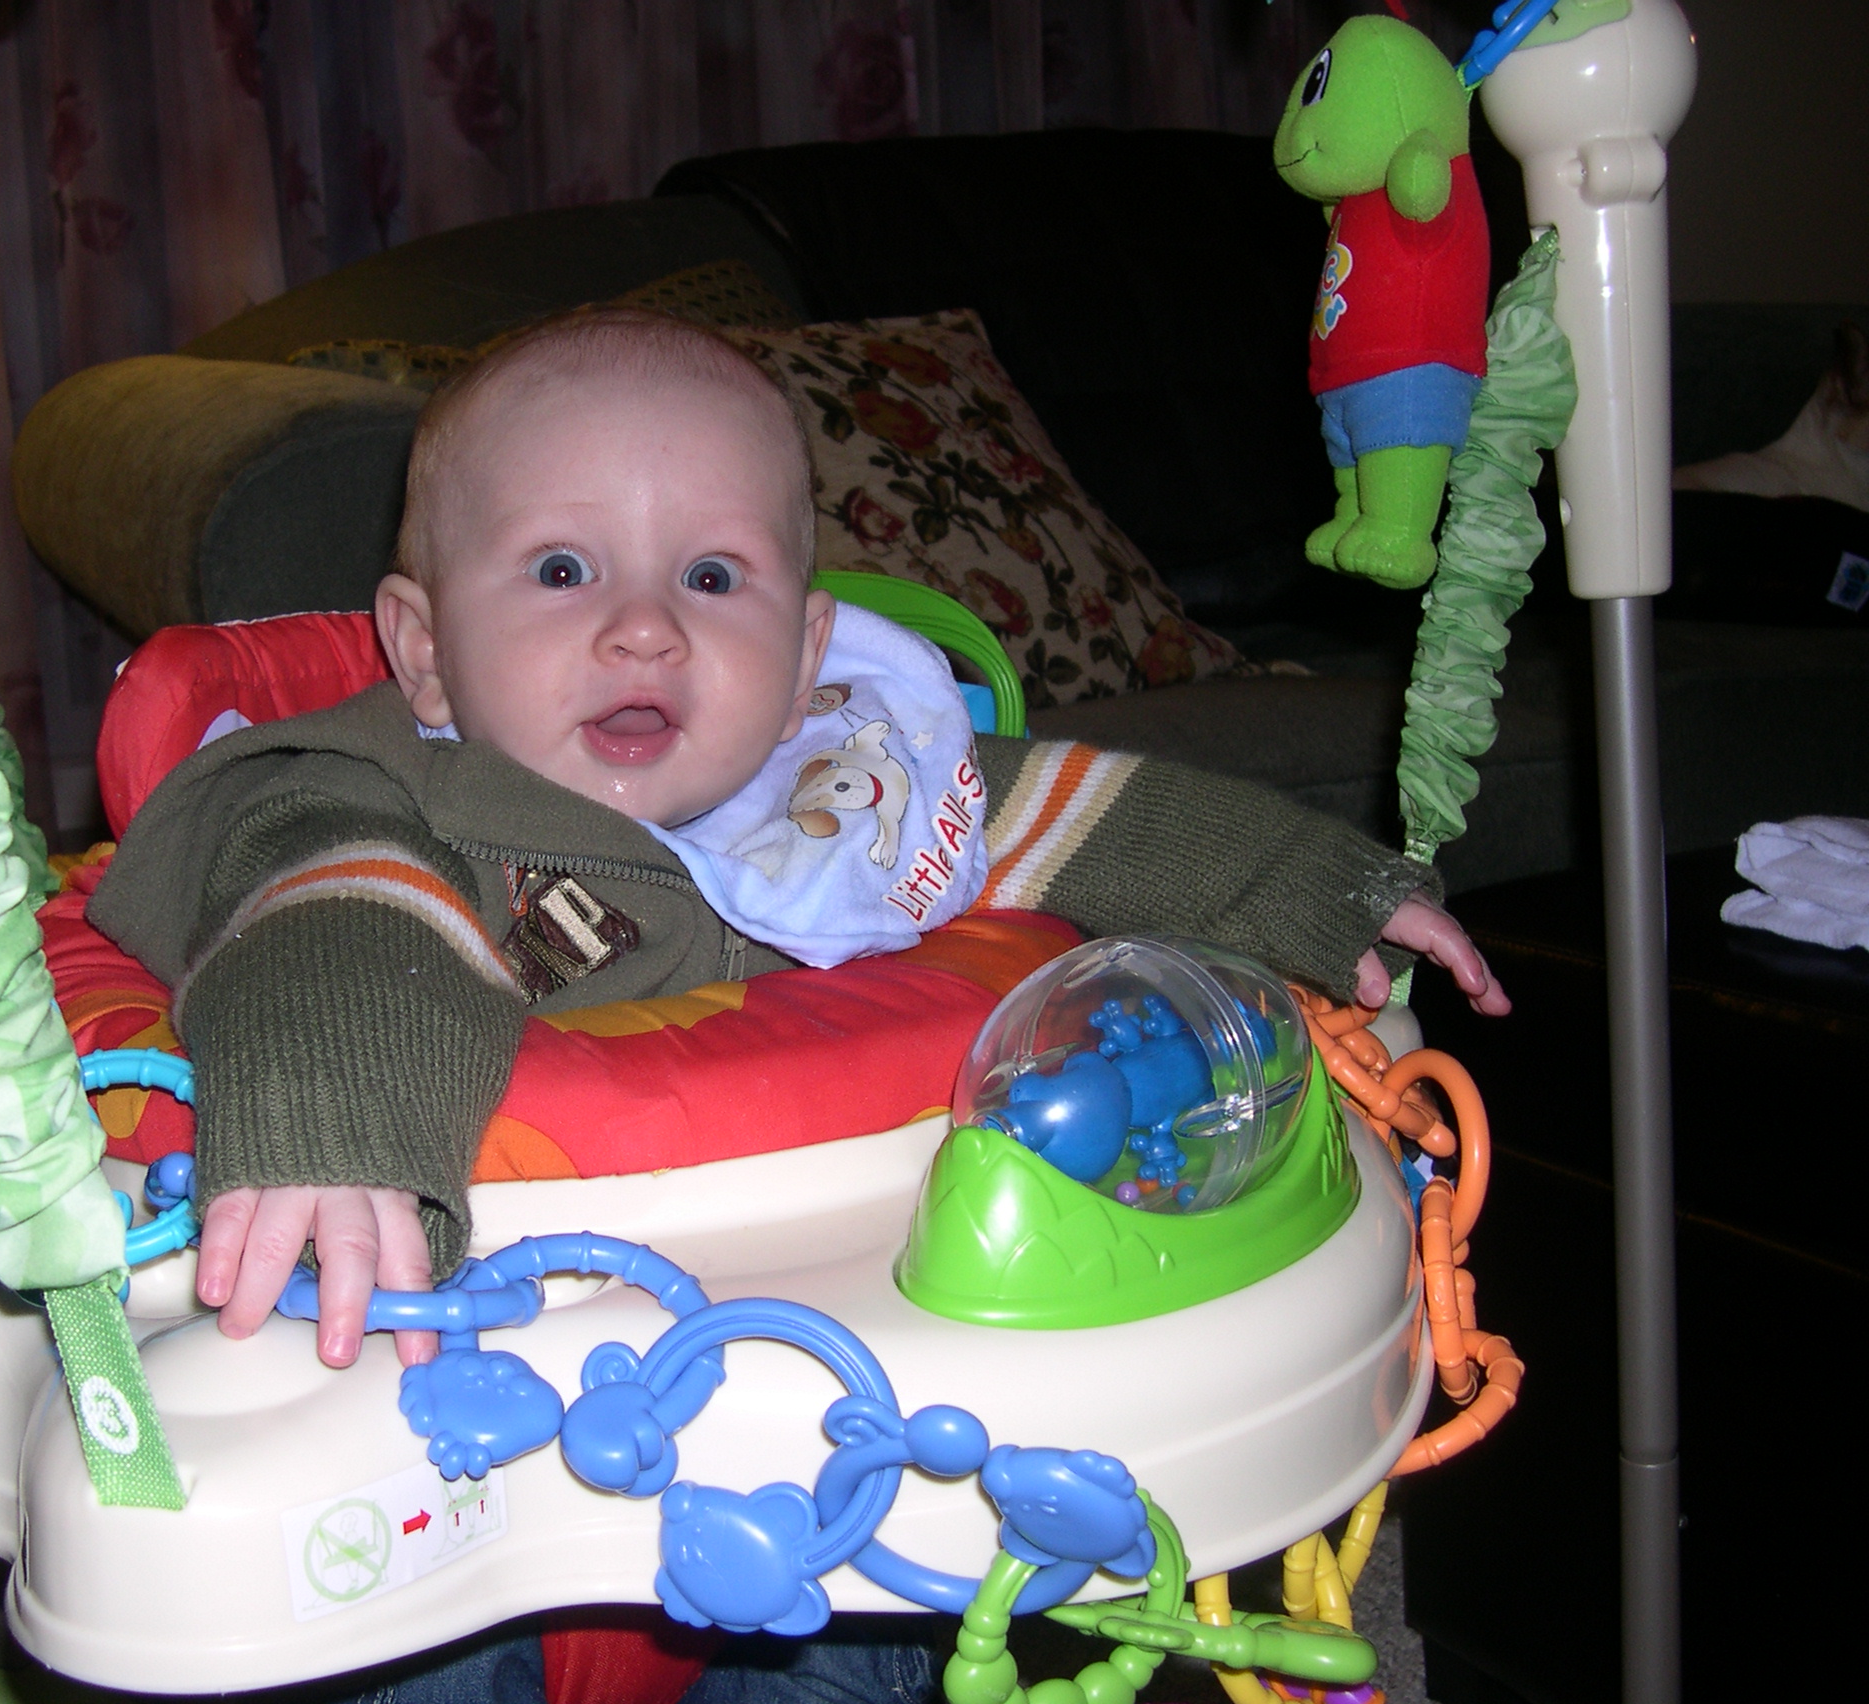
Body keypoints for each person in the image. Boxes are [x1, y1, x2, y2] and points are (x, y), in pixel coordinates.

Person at [90, 306, 1508, 1375]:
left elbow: (1072, 816)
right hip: (481, 1318)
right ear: (427, 648)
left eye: (713, 576)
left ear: (805, 646)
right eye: (563, 569)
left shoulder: (838, 780)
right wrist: (336, 1130)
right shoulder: (365, 791)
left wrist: (1323, 894)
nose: (645, 624)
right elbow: (337, 912)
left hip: (838, 1302)